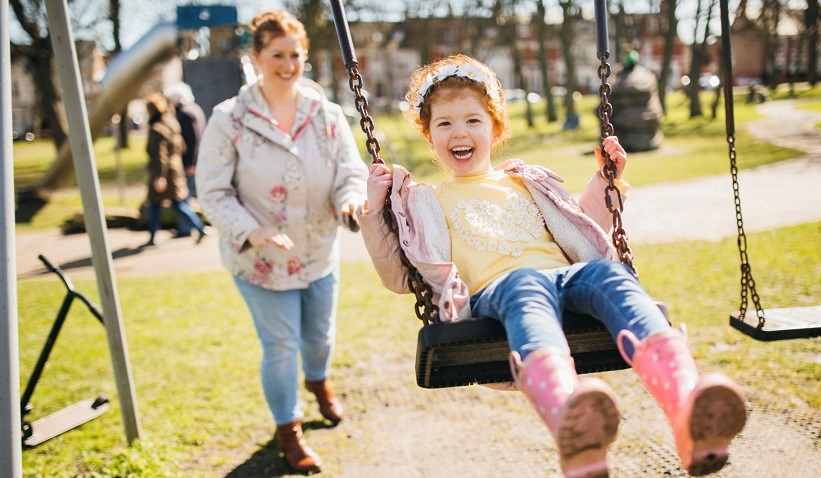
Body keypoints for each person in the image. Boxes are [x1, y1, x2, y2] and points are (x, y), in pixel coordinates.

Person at [358, 54, 747, 477]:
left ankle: (687, 405)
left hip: (566, 279)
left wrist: (607, 181)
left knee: (609, 273)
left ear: (495, 129)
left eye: (472, 120)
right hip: (501, 293)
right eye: (445, 124)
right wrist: (375, 213)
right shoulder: (426, 201)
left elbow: (579, 230)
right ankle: (569, 421)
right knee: (525, 283)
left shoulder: (525, 182)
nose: (459, 132)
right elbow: (401, 277)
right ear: (430, 138)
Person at [194, 10, 368, 474]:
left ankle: (318, 382)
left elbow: (350, 173)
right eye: (277, 55)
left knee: (319, 337)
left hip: (318, 250)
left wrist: (350, 200)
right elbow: (212, 191)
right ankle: (289, 431)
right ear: (256, 57)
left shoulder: (327, 114)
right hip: (262, 260)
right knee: (281, 345)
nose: (288, 65)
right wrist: (253, 230)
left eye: (295, 55)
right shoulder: (229, 119)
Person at [143, 92, 208, 247]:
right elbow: (181, 146)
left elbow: (160, 154)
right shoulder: (171, 122)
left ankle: (154, 235)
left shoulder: (157, 128)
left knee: (161, 204)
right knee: (176, 202)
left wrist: (160, 176)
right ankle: (198, 227)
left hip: (164, 171)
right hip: (176, 168)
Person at [164, 82, 207, 237]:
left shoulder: (185, 114)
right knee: (186, 196)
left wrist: (191, 163)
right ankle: (186, 227)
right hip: (197, 159)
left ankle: (194, 226)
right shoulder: (195, 109)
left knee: (184, 196)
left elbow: (192, 140)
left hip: (190, 161)